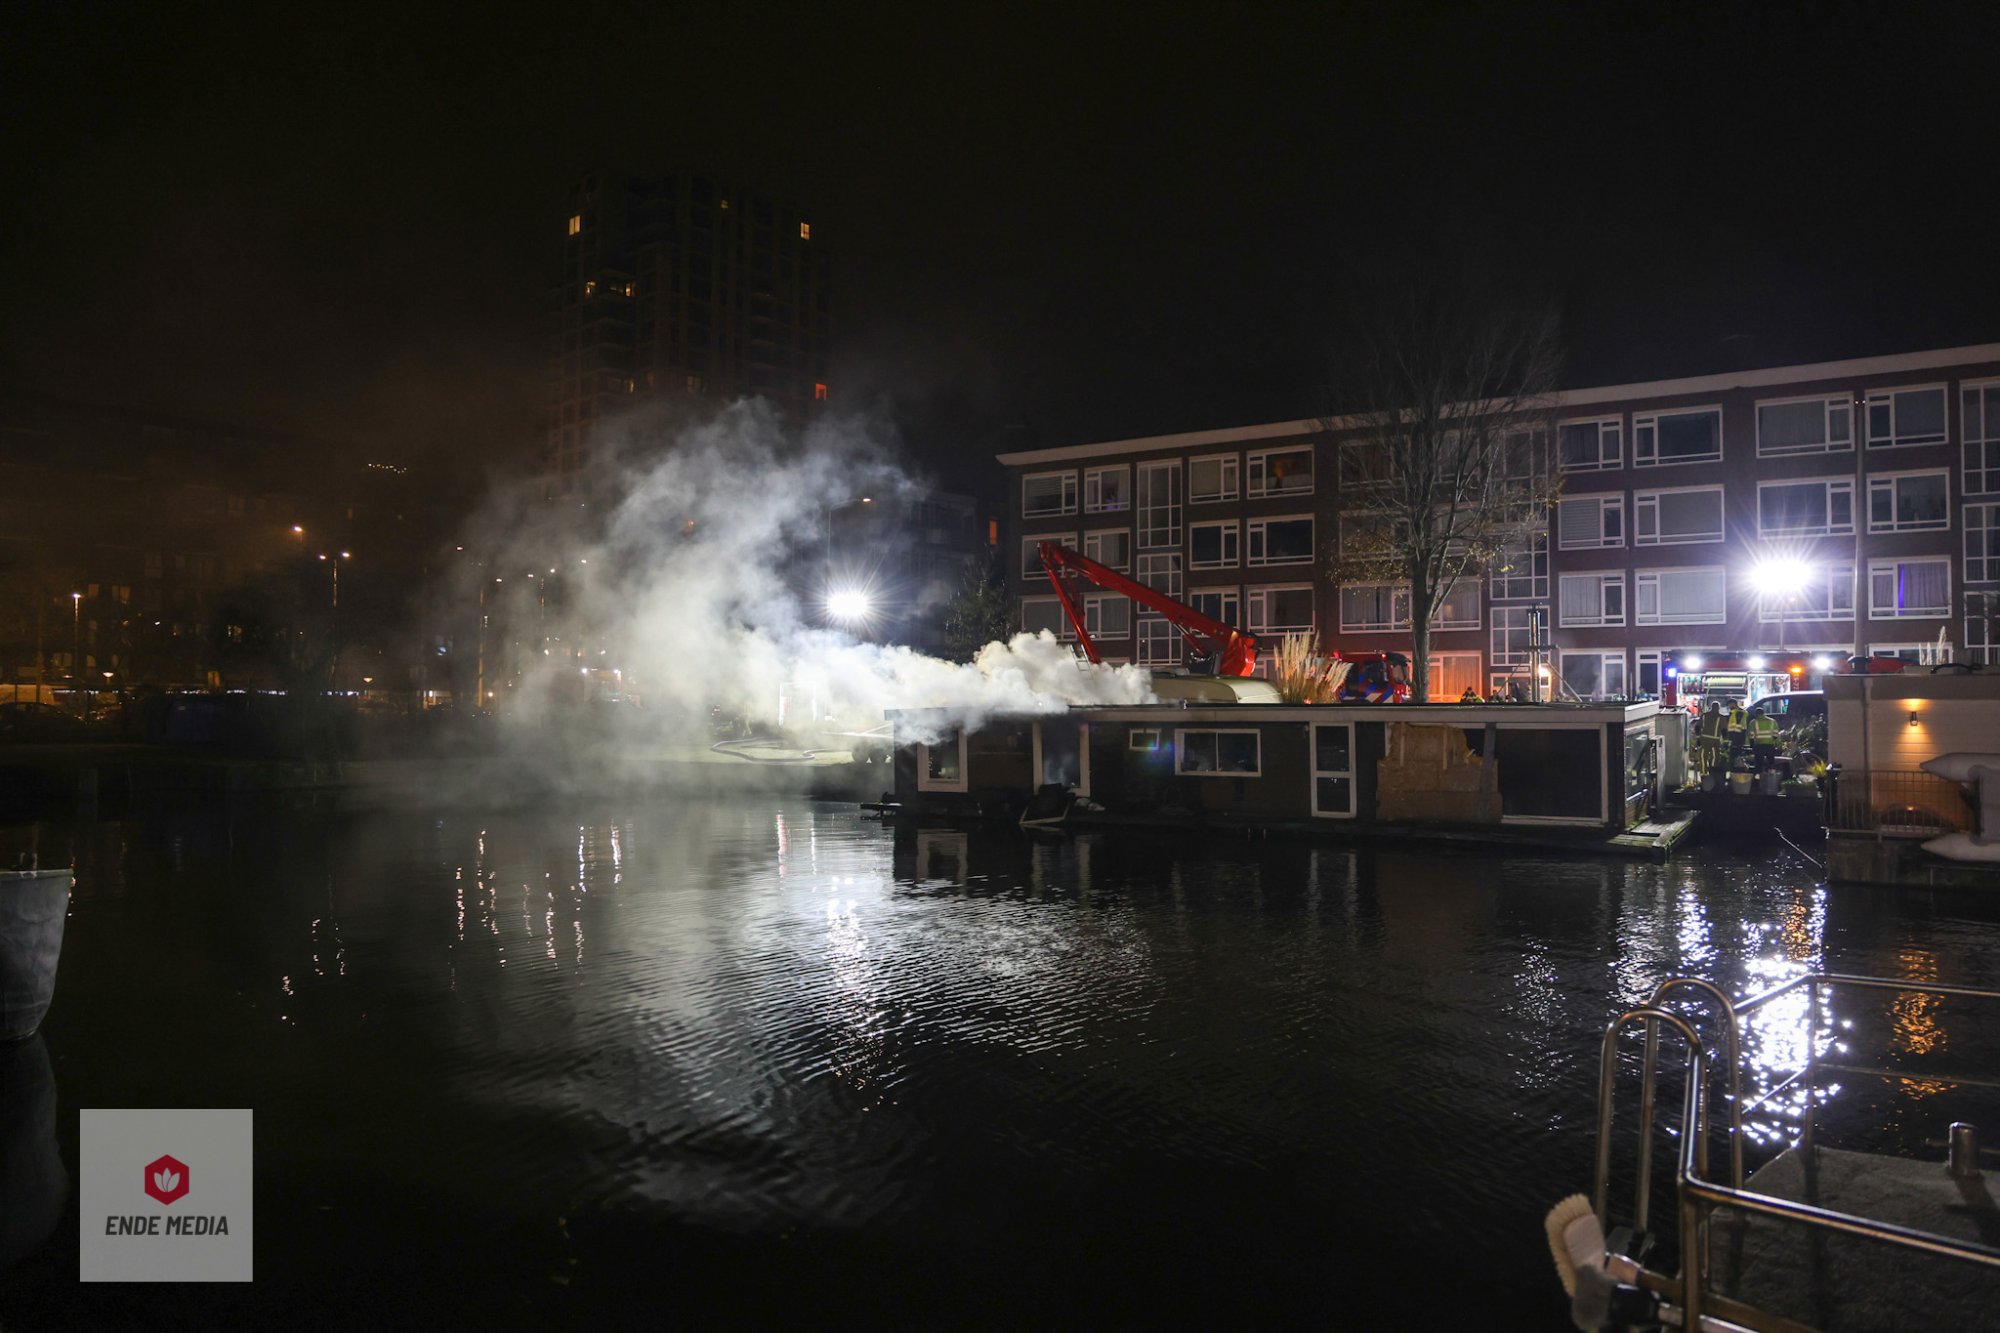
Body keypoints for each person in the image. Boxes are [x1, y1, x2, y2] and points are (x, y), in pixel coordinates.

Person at [1748, 705, 1780, 770]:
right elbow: (1776, 733)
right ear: (1763, 713)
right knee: (1771, 762)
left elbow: (1751, 735)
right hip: (1770, 745)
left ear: (1756, 714)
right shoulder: (1772, 721)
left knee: (1759, 763)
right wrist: (1773, 741)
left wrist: (1752, 745)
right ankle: (1772, 776)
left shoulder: (1753, 722)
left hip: (1759, 746)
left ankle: (1758, 777)